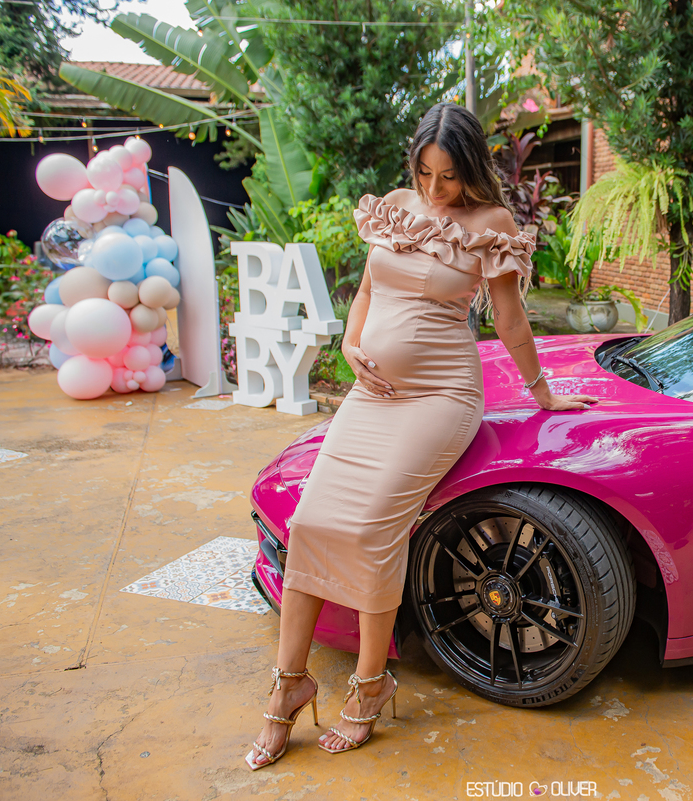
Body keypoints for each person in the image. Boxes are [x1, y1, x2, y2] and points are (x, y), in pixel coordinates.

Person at [246, 102, 599, 768]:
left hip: (442, 395)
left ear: (471, 169)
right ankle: (289, 682)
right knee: (312, 522)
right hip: (372, 396)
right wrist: (351, 344)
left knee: (374, 526)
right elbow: (368, 289)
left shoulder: (491, 224)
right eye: (425, 174)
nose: (435, 190)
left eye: (449, 177)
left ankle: (370, 683)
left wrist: (542, 392)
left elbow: (509, 318)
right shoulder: (397, 207)